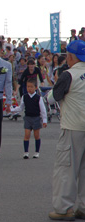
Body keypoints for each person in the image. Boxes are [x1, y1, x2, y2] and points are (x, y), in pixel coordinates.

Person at [47, 40, 85, 220]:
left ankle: (63, 209)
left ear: (70, 56)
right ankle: (83, 207)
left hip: (73, 127)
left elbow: (52, 98)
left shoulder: (69, 75)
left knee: (66, 169)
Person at [11, 78, 47, 159]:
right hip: (27, 118)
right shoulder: (24, 97)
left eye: (31, 87)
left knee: (36, 135)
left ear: (35, 88)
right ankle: (26, 152)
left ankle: (37, 152)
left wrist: (44, 120)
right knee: (26, 135)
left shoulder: (38, 98)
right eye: (28, 87)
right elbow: (20, 108)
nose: (29, 88)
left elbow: (43, 110)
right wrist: (12, 110)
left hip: (36, 118)